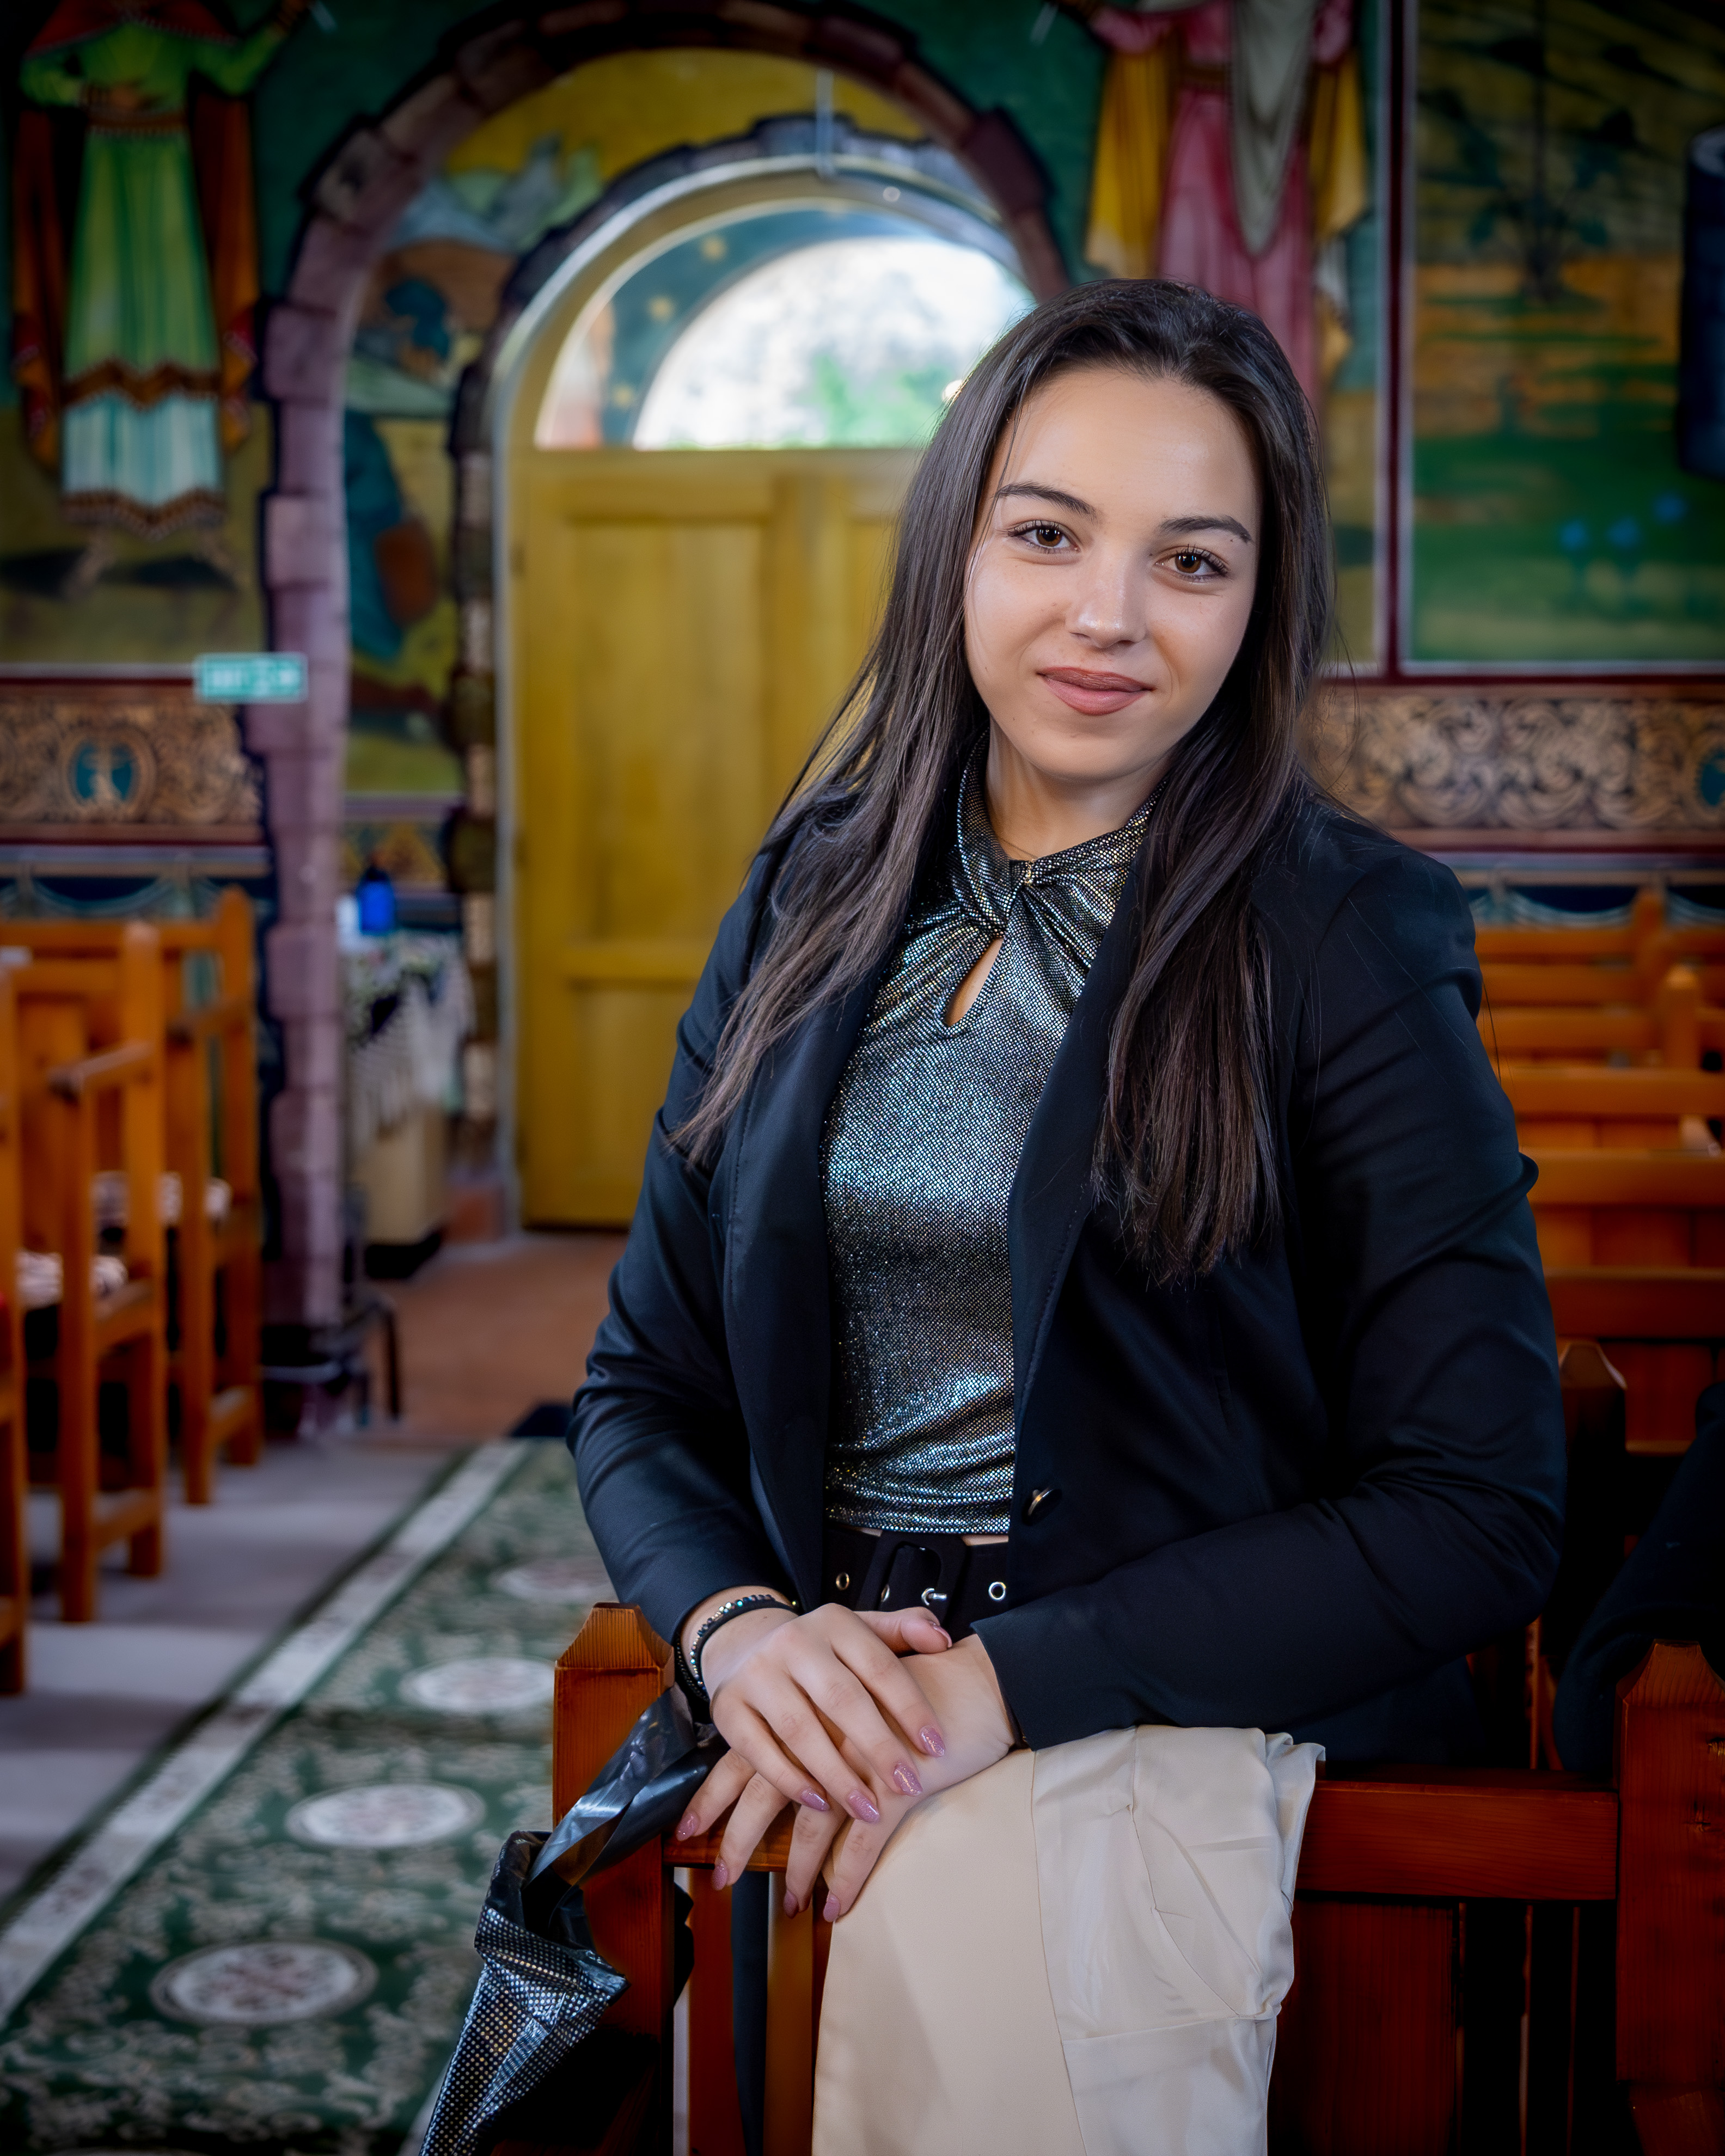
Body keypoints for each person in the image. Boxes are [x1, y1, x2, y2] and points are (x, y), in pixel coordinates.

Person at [569, 278, 1565, 2146]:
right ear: (956, 545)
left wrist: (1000, 1694)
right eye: (1047, 535)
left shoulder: (1343, 933)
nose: (1109, 614)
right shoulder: (811, 891)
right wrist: (745, 1633)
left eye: (1190, 561)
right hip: (817, 1705)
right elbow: (641, 1388)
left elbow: (1481, 1507)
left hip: (1162, 1721)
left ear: (1259, 603)